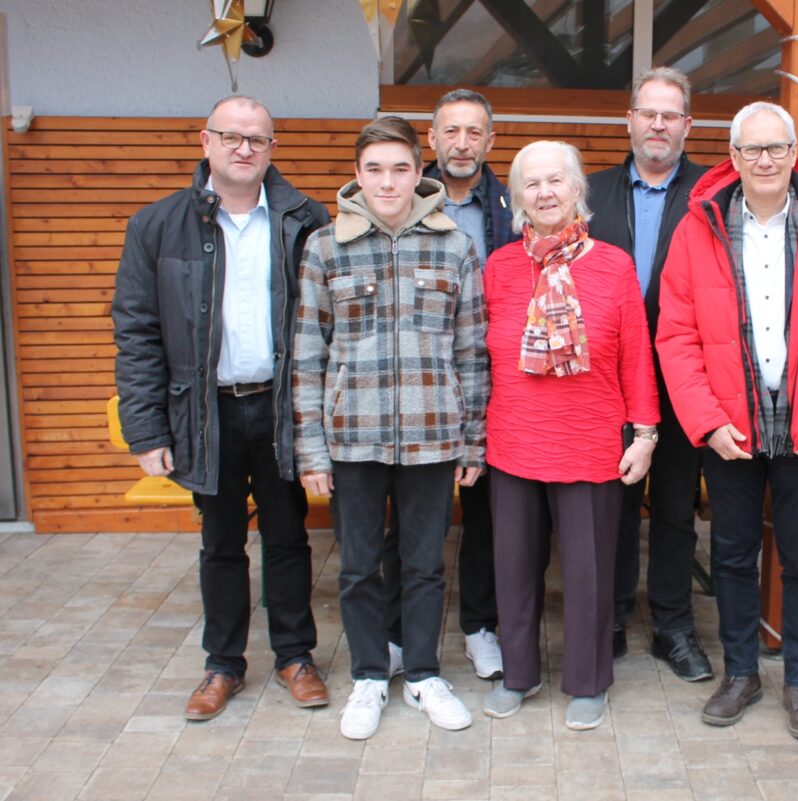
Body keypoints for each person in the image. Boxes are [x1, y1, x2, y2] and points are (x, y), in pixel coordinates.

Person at [656, 102, 798, 741]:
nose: (764, 160)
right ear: (732, 157)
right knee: (730, 555)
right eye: (752, 150)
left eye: (776, 148)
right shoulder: (698, 228)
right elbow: (676, 336)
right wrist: (705, 421)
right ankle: (742, 675)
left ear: (794, 152)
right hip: (730, 429)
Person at [112, 95, 331, 721]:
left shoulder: (304, 219)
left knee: (289, 536)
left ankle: (295, 656)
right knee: (221, 543)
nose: (243, 148)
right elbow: (137, 332)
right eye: (231, 136)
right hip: (204, 413)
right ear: (203, 141)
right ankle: (223, 666)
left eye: (256, 139)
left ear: (272, 149)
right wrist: (146, 428)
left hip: (281, 407)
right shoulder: (155, 226)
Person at [292, 116, 488, 740]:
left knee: (426, 564)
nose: (387, 180)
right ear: (357, 174)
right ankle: (371, 676)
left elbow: (472, 351)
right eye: (374, 168)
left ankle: (425, 673)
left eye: (400, 167)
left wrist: (473, 438)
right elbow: (306, 354)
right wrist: (311, 449)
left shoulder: (454, 246)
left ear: (418, 171)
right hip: (353, 437)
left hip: (433, 437)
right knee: (358, 567)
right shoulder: (325, 247)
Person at [480, 140, 658, 731]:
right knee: (513, 569)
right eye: (531, 184)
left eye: (556, 180)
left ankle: (588, 680)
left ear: (578, 189)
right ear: (516, 198)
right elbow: (480, 360)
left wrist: (645, 434)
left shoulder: (613, 265)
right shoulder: (500, 267)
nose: (545, 193)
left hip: (590, 440)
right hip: (513, 440)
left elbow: (636, 355)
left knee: (588, 573)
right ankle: (518, 674)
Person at [381, 89, 518, 683]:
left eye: (474, 133)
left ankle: (480, 626)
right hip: (426, 379)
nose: (462, 143)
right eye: (450, 132)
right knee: (413, 518)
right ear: (430, 142)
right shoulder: (402, 201)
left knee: (487, 514)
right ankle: (394, 633)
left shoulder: (514, 207)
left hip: (502, 379)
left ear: (491, 142)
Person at [587, 67, 712, 681]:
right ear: (629, 121)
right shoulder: (592, 193)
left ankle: (672, 626)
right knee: (609, 506)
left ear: (687, 125)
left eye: (670, 115)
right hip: (605, 385)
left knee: (672, 509)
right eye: (648, 112)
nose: (658, 124)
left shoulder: (715, 195)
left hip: (685, 379)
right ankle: (608, 617)